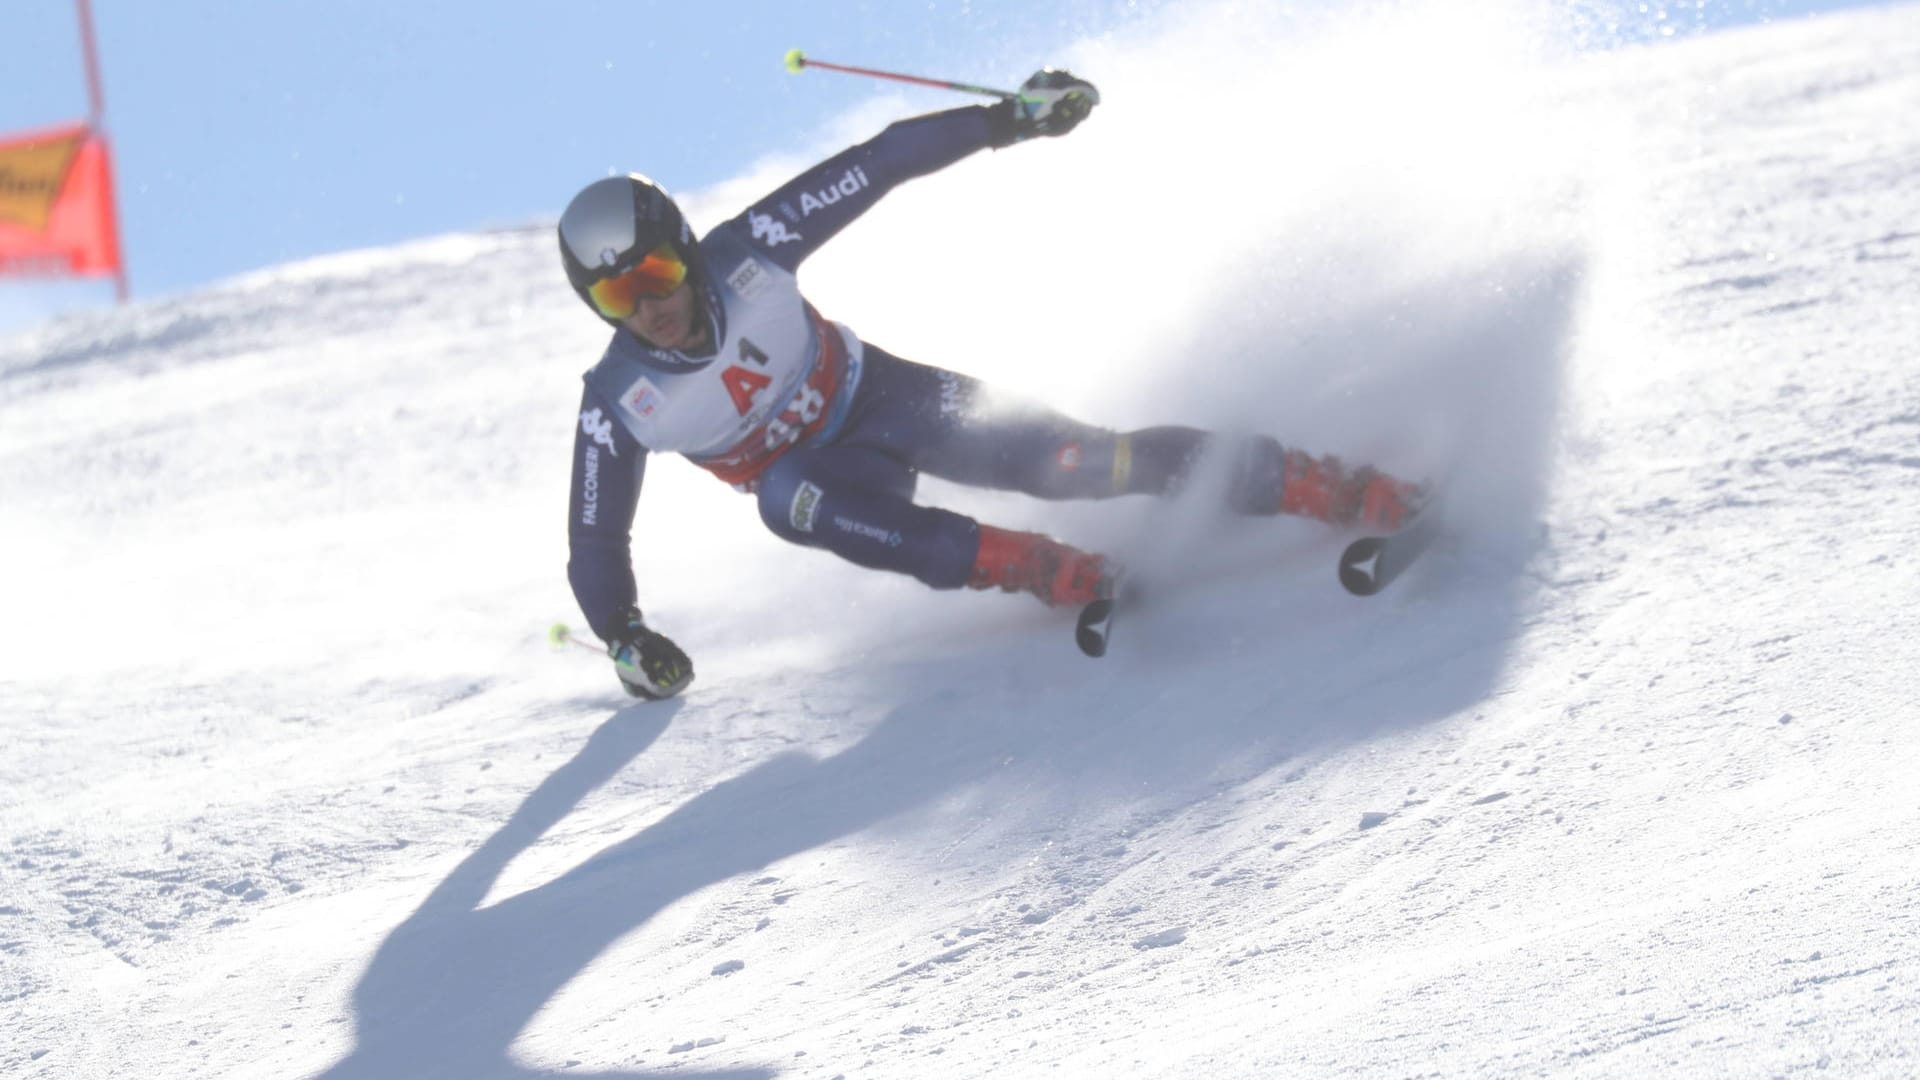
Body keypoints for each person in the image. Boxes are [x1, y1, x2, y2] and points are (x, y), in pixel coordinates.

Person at [559, 70, 1422, 700]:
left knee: (1085, 461)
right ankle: (1048, 570)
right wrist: (624, 637)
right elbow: (596, 541)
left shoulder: (749, 251)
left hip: (887, 398)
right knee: (788, 496)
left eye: (660, 270)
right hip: (835, 483)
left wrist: (1009, 118)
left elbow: (878, 162)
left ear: (685, 247)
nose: (652, 306)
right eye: (618, 293)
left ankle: (1332, 487)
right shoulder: (620, 402)